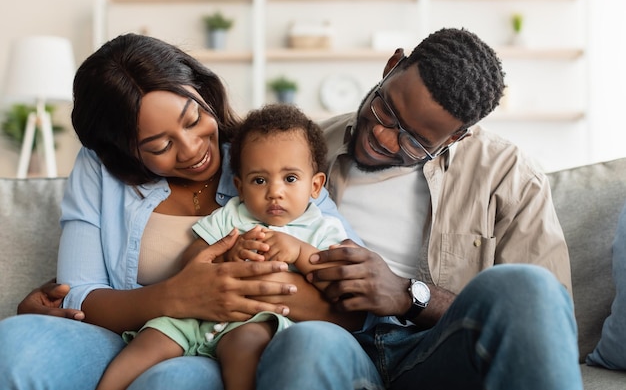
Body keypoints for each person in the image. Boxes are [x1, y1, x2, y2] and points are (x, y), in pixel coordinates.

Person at [2, 27, 583, 390]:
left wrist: (410, 295)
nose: (384, 139)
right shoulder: (296, 143)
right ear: (388, 67)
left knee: (526, 287)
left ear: (456, 139)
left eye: (415, 140)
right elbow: (81, 291)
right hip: (300, 340)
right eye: (385, 113)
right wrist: (167, 297)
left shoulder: (508, 176)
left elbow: (545, 320)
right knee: (306, 345)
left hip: (409, 339)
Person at [0, 33, 381, 390]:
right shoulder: (99, 167)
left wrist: (242, 286)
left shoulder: (266, 159)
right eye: (159, 144)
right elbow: (78, 294)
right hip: (150, 332)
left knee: (172, 381)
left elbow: (357, 299)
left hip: (249, 336)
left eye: (194, 119)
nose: (192, 150)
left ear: (203, 93)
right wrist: (178, 296)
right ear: (123, 150)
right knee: (15, 342)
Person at [97, 103, 361, 390]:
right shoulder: (232, 214)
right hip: (194, 316)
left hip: (251, 321)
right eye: (259, 180)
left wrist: (299, 250)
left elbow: (336, 279)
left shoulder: (322, 228)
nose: (275, 191)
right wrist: (226, 254)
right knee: (148, 343)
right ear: (240, 185)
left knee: (246, 346)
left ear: (315, 185)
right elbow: (193, 257)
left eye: (290, 178)